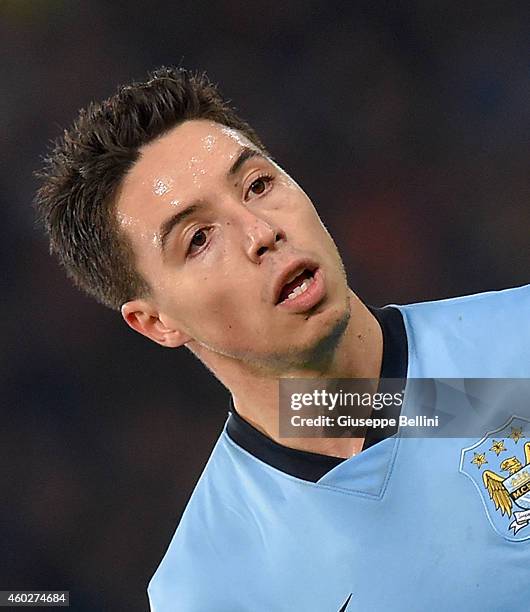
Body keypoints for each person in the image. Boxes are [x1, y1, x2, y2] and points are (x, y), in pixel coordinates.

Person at [35, 67, 530, 611]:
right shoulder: (209, 588)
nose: (260, 231)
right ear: (156, 323)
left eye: (258, 185)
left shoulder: (516, 346)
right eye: (199, 239)